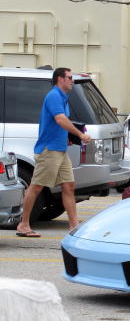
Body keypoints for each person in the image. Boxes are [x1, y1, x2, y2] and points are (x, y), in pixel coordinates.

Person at [15, 67, 92, 237]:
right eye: (70, 77)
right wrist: (79, 134)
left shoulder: (63, 98)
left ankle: (73, 226)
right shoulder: (54, 96)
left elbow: (58, 123)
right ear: (60, 79)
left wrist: (68, 138)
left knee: (68, 186)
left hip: (60, 149)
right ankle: (23, 224)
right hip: (49, 150)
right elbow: (60, 119)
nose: (72, 80)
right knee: (36, 187)